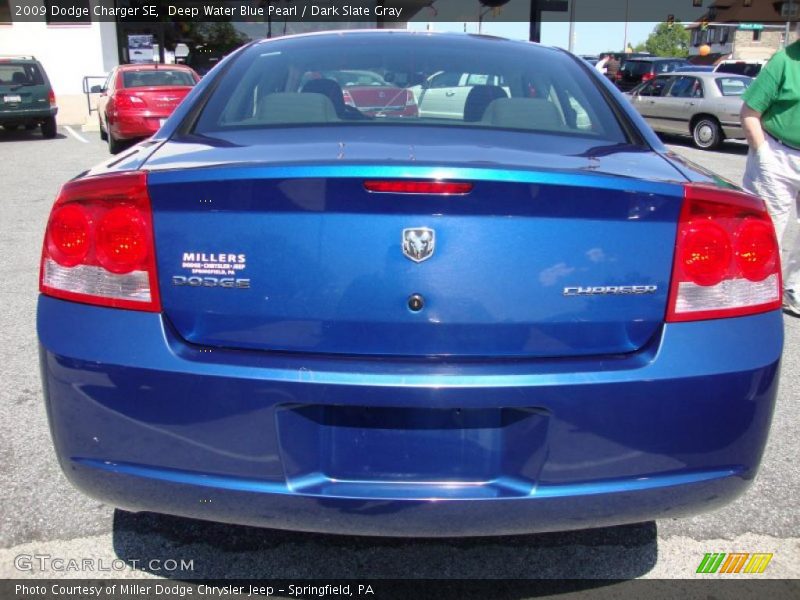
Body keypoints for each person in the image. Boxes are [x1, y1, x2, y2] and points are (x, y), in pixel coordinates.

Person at [740, 36, 800, 315]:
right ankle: (752, 287)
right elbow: (750, 112)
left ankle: (795, 290)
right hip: (777, 153)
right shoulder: (785, 60)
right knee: (767, 227)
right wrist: (762, 153)